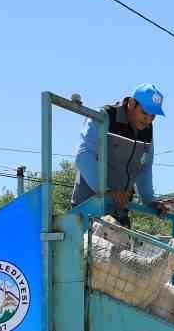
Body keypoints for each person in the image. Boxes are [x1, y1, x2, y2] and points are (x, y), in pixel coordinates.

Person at [72, 84, 168, 225]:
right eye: (145, 113)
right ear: (131, 103)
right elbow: (84, 155)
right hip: (89, 209)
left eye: (153, 115)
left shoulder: (147, 131)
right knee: (88, 247)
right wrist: (106, 191)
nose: (148, 119)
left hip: (118, 212)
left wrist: (150, 202)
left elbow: (144, 169)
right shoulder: (104, 116)